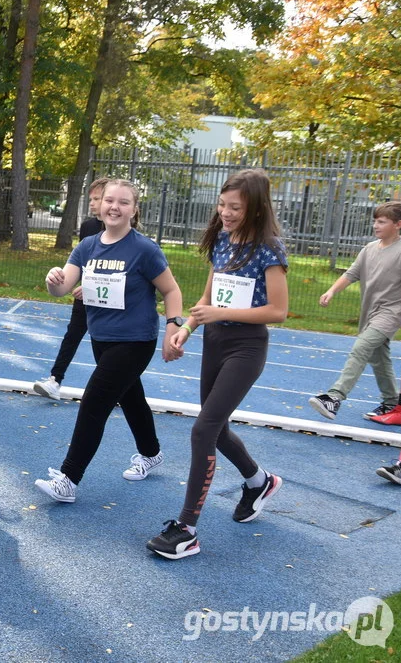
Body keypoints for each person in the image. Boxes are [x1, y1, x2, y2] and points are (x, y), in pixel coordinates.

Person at [146, 169, 288, 560]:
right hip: (214, 342)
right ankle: (259, 482)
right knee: (217, 428)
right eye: (222, 204)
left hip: (246, 348)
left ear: (256, 208)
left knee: (202, 430)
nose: (225, 213)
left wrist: (221, 311)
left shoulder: (269, 249)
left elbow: (279, 311)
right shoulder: (223, 240)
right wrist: (187, 329)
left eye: (235, 208)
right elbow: (209, 295)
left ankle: (187, 529)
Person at [34, 179, 183, 503]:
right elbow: (63, 288)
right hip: (102, 339)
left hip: (135, 341)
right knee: (131, 399)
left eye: (123, 202)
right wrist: (53, 282)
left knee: (95, 401)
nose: (114, 207)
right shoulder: (87, 246)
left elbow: (171, 290)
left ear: (134, 209)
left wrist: (173, 325)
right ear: (100, 206)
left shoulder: (144, 249)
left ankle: (69, 479)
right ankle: (151, 452)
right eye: (109, 201)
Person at [308, 201, 401, 421]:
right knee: (379, 359)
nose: (376, 225)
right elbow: (352, 274)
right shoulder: (369, 249)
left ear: (398, 224)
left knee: (361, 348)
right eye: (375, 221)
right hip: (370, 313)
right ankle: (392, 403)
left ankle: (334, 397)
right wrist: (331, 291)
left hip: (391, 313)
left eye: (382, 221)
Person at [33, 177, 108, 398]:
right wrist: (72, 283)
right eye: (91, 199)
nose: (92, 203)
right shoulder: (88, 228)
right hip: (84, 297)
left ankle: (115, 386)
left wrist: (93, 287)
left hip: (112, 302)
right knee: (72, 335)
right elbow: (86, 261)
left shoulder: (127, 231)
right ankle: (55, 380)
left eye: (97, 199)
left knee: (104, 344)